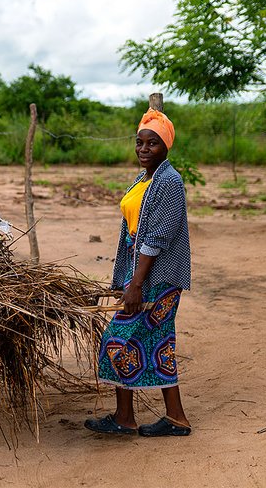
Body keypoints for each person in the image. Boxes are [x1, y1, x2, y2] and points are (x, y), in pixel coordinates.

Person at [85, 108, 192, 437]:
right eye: (139, 142)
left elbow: (157, 238)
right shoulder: (145, 178)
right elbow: (133, 231)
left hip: (157, 278)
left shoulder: (169, 182)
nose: (144, 149)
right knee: (159, 343)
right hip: (141, 274)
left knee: (117, 341)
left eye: (152, 143)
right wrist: (125, 279)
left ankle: (126, 417)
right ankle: (172, 418)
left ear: (166, 147)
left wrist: (136, 284)